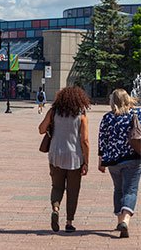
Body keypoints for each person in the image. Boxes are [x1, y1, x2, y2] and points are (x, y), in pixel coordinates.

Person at [38, 86, 90, 232]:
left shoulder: (54, 111)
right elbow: (85, 140)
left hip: (55, 155)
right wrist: (86, 161)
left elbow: (41, 129)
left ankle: (55, 208)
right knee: (73, 190)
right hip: (75, 156)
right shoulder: (82, 114)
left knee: (57, 186)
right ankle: (69, 222)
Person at [98, 89, 141, 238]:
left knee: (118, 190)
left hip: (113, 162)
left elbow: (102, 141)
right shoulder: (136, 115)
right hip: (132, 159)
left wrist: (101, 161)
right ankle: (126, 220)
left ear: (112, 101)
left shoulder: (107, 118)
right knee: (130, 191)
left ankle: (119, 221)